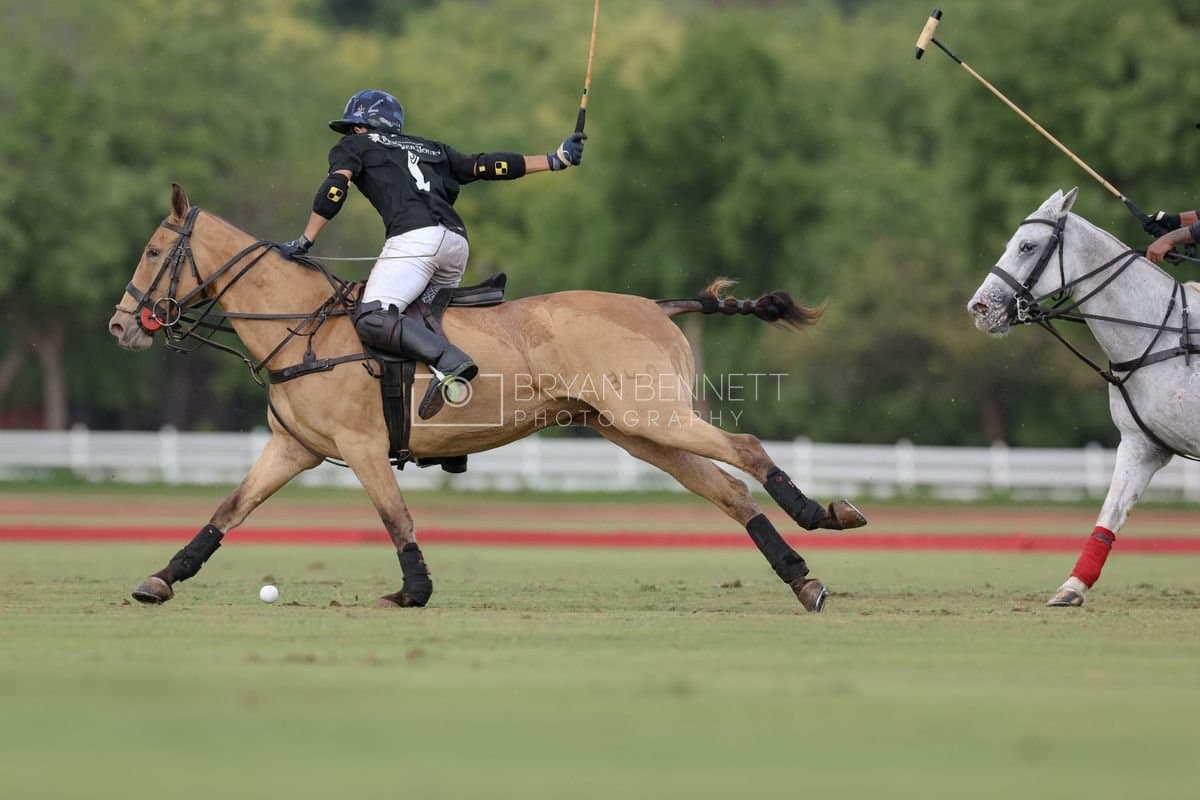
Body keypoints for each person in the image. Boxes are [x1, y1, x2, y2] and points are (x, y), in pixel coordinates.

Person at [279, 89, 586, 385]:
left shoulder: (354, 145)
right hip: (455, 243)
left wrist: (305, 240)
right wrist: (554, 159)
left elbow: (335, 189)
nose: (349, 134)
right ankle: (435, 384)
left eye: (351, 128)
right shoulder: (432, 148)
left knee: (372, 317)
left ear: (361, 126)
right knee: (420, 320)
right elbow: (486, 165)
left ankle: (452, 362)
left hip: (416, 243)